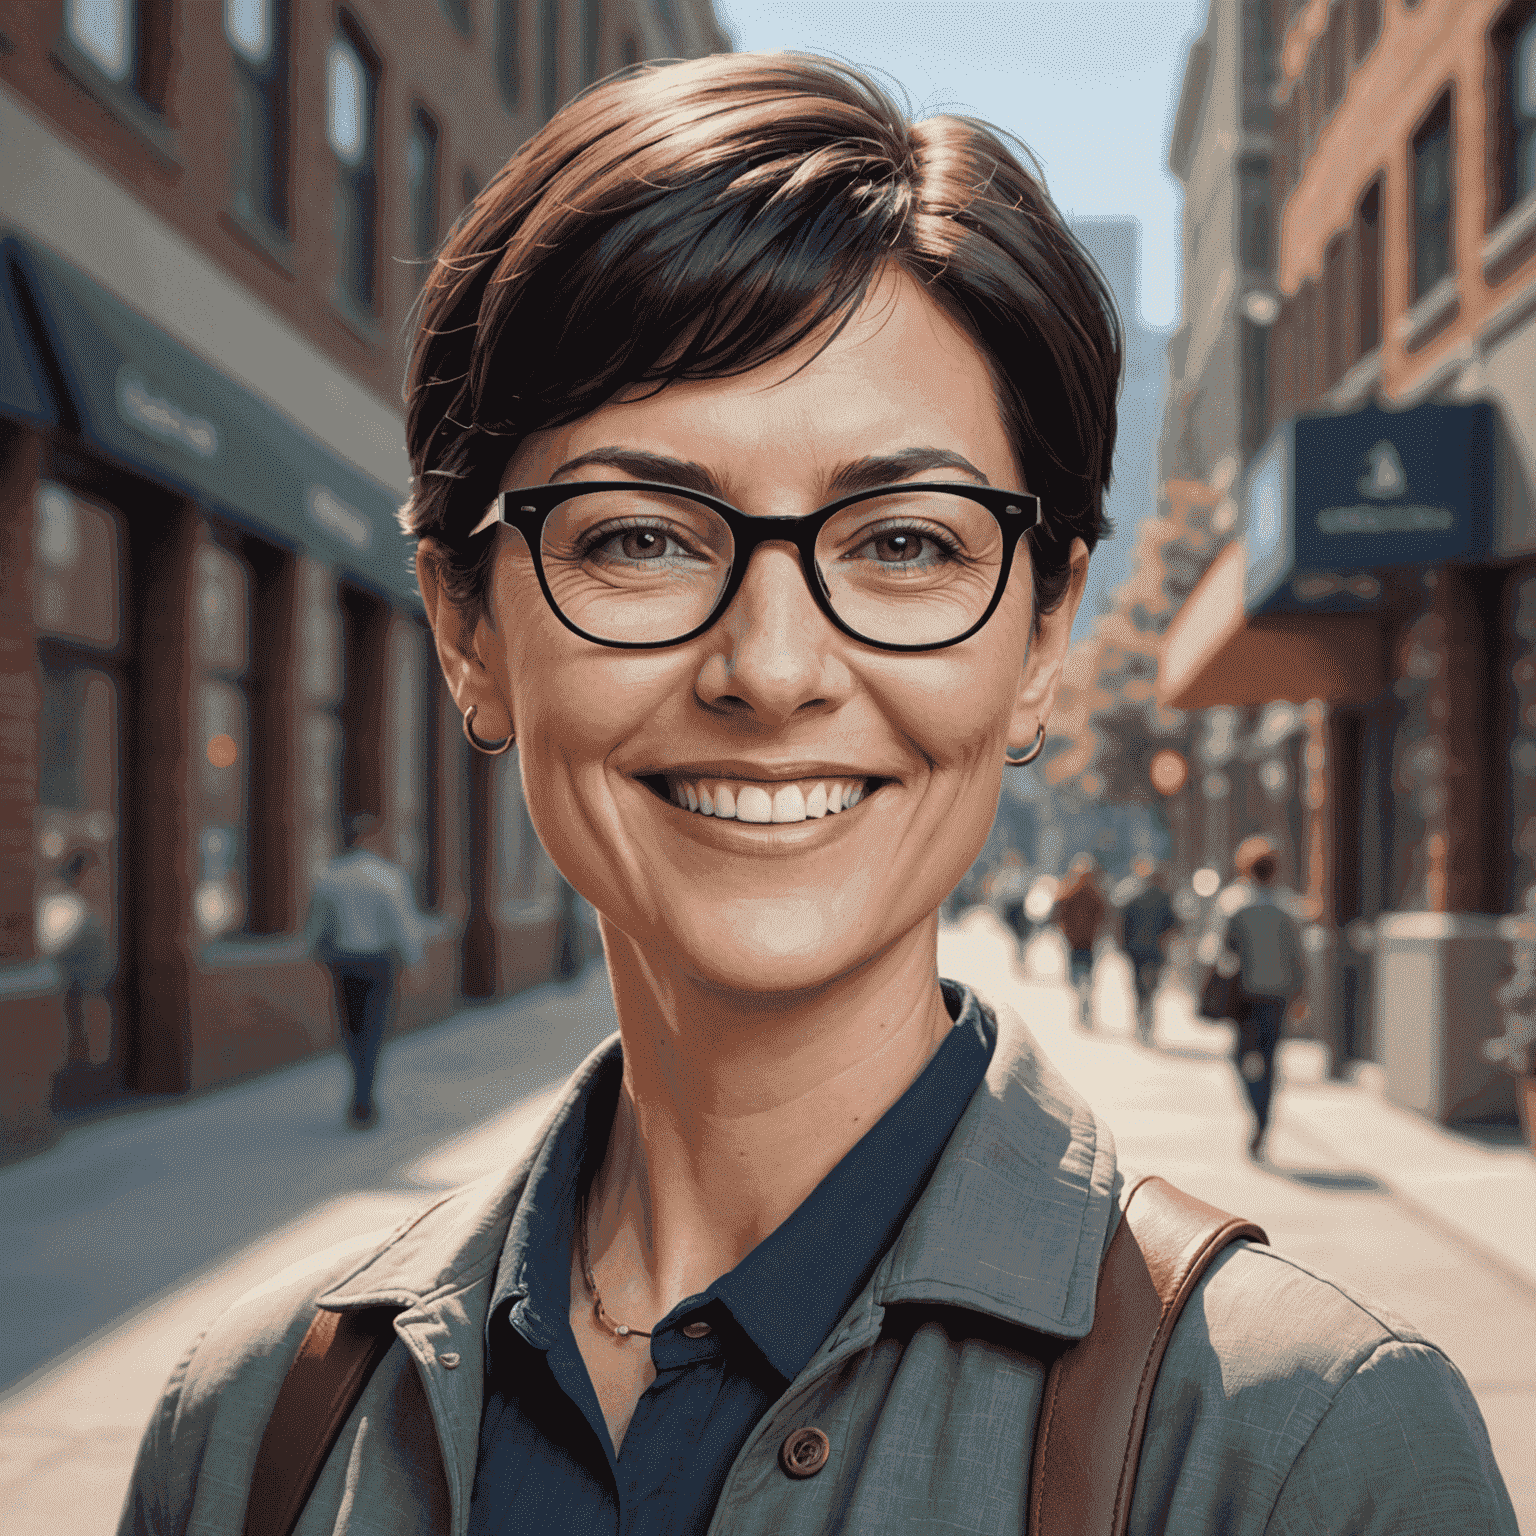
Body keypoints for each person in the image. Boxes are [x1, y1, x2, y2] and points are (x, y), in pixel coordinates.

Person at [119, 55, 1516, 1536]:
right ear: (470, 630)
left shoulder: (1300, 1452)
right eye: (640, 538)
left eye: (905, 543)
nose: (771, 668)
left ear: (1043, 636)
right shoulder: (254, 1427)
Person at [304, 812, 425, 1128]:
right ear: (370, 838)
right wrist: (414, 963)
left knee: (350, 1028)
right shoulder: (388, 877)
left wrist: (313, 952)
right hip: (378, 963)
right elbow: (403, 926)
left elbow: (317, 926)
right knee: (374, 1030)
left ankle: (359, 1089)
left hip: (344, 963)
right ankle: (363, 1099)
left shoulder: (332, 876)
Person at [1216, 835, 1307, 1160]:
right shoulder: (1287, 908)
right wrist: (1300, 993)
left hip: (1245, 994)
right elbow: (1299, 957)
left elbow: (1220, 951)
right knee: (1269, 1059)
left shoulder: (1234, 904)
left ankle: (1256, 1112)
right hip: (1277, 995)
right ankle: (1263, 1120)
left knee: (1240, 1057)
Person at [1117, 857, 1179, 1045]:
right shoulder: (1165, 899)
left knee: (1138, 987)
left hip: (1136, 950)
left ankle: (1141, 1019)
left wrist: (1123, 947)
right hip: (1155, 951)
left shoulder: (1134, 898)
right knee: (1151, 988)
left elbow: (1123, 925)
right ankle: (1147, 1019)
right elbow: (1174, 925)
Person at [1053, 853, 1107, 1027]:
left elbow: (1103, 917)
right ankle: (1083, 1007)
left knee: (1082, 978)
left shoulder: (1089, 894)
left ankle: (1084, 1008)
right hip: (1076, 942)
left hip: (1086, 942)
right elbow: (1058, 914)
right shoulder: (1071, 892)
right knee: (1080, 978)